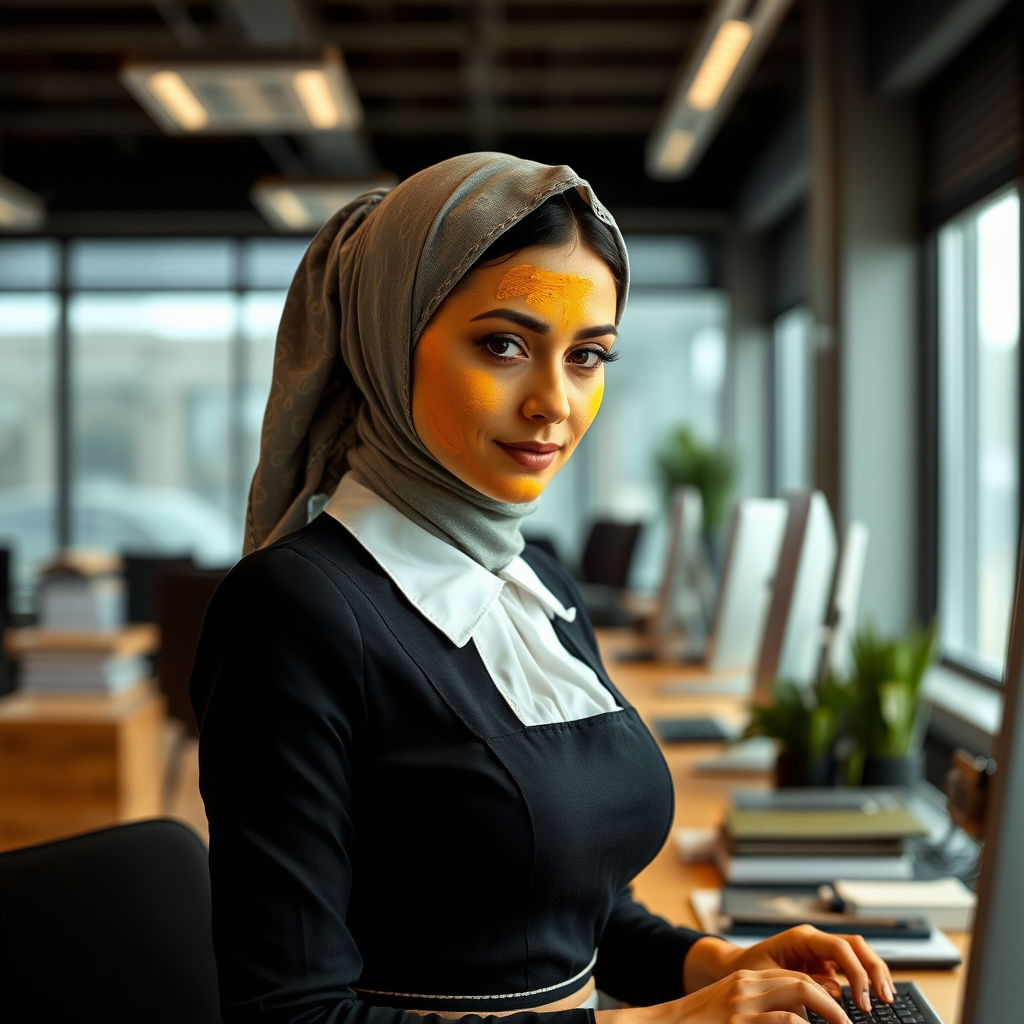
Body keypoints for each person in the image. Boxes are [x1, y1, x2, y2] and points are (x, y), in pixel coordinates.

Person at [191, 153, 893, 1024]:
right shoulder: (293, 612)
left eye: (588, 356)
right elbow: (290, 1018)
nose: (554, 404)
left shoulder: (538, 582)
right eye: (504, 345)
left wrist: (709, 962)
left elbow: (566, 907)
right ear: (388, 337)